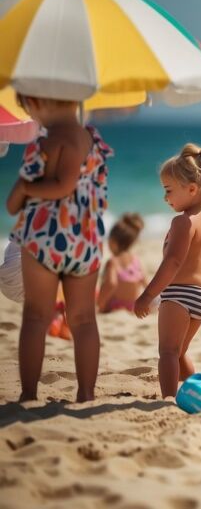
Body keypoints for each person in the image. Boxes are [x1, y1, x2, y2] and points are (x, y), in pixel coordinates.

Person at [6, 93, 113, 402]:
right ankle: (86, 392)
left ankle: (28, 393)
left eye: (27, 108)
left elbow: (15, 204)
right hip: (86, 240)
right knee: (83, 320)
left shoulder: (44, 144)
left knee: (36, 317)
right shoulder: (93, 141)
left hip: (44, 239)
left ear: (39, 102)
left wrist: (25, 188)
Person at [134, 144, 201, 398]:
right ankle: (198, 392)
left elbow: (172, 263)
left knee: (168, 353)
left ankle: (168, 398)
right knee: (180, 351)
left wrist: (147, 295)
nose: (165, 197)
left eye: (168, 190)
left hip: (178, 295)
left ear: (192, 189)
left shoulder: (183, 222)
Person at [97, 213, 146, 313]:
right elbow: (145, 282)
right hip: (132, 305)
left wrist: (100, 305)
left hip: (114, 306)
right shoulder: (136, 261)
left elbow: (111, 283)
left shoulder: (113, 262)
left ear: (113, 242)